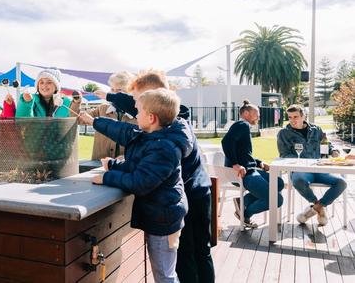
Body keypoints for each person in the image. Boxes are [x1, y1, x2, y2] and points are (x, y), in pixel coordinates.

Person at [82, 69, 214, 283]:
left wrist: (109, 176)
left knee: (185, 259)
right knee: (189, 257)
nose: (134, 107)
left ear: (154, 102)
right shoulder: (167, 125)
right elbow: (130, 135)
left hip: (182, 200)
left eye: (138, 102)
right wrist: (102, 108)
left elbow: (142, 176)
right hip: (181, 200)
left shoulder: (163, 140)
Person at [277, 104, 346, 226]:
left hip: (320, 169)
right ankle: (318, 206)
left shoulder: (317, 130)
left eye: (296, 117)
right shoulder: (284, 133)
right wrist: (303, 161)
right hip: (300, 170)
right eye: (290, 117)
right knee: (298, 180)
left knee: (342, 182)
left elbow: (327, 145)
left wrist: (333, 151)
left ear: (304, 116)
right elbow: (284, 154)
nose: (293, 120)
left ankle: (317, 207)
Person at [222, 100, 284, 229]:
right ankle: (245, 214)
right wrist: (235, 164)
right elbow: (226, 141)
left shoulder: (244, 126)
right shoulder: (242, 124)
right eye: (257, 114)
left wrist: (260, 163)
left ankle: (243, 202)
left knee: (279, 183)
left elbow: (244, 154)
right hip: (242, 174)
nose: (259, 117)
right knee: (277, 200)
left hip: (250, 170)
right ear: (246, 113)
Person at [79, 71, 136, 160]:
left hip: (127, 168)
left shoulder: (140, 116)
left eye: (120, 91)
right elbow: (78, 119)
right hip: (97, 165)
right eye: (112, 89)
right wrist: (76, 102)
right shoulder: (102, 109)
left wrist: (127, 158)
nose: (114, 94)